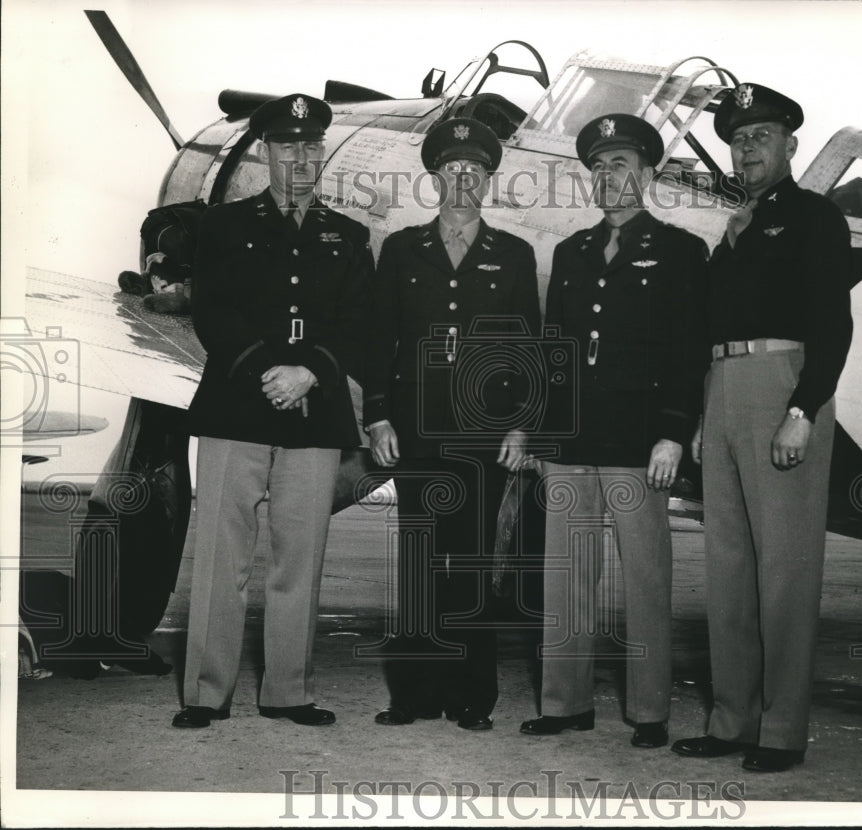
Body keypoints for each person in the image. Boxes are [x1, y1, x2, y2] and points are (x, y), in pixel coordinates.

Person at [172, 94, 373, 728]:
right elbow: (214, 312)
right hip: (237, 407)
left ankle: (290, 692)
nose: (302, 159)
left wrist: (308, 371)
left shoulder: (348, 236)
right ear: (267, 151)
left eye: (313, 146)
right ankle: (205, 694)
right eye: (289, 146)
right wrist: (271, 370)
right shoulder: (223, 226)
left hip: (315, 413)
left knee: (299, 559)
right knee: (220, 558)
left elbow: (359, 325)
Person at [671, 83, 853, 771]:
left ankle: (780, 732)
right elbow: (712, 327)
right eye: (738, 140)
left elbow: (833, 324)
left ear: (790, 145)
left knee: (785, 571)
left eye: (761, 137)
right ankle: (731, 720)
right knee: (728, 566)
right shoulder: (736, 228)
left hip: (782, 388)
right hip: (722, 390)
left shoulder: (813, 217)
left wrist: (803, 412)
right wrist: (701, 413)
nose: (747, 149)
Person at [519, 114, 708, 749]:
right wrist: (539, 432)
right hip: (571, 437)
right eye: (598, 167)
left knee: (645, 576)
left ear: (647, 174)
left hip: (638, 440)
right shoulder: (571, 251)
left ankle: (650, 711)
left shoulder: (681, 250)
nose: (607, 176)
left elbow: (688, 349)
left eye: (620, 164)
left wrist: (674, 432)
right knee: (566, 573)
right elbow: (553, 347)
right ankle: (564, 703)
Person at [364, 118, 540, 731]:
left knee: (470, 562)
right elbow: (379, 339)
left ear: (488, 182)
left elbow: (528, 348)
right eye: (452, 169)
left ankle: (471, 696)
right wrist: (377, 416)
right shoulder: (401, 249)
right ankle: (412, 694)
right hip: (415, 428)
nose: (463, 179)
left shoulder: (513, 255)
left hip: (483, 434)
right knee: (419, 556)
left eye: (475, 170)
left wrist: (521, 427)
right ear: (436, 178)